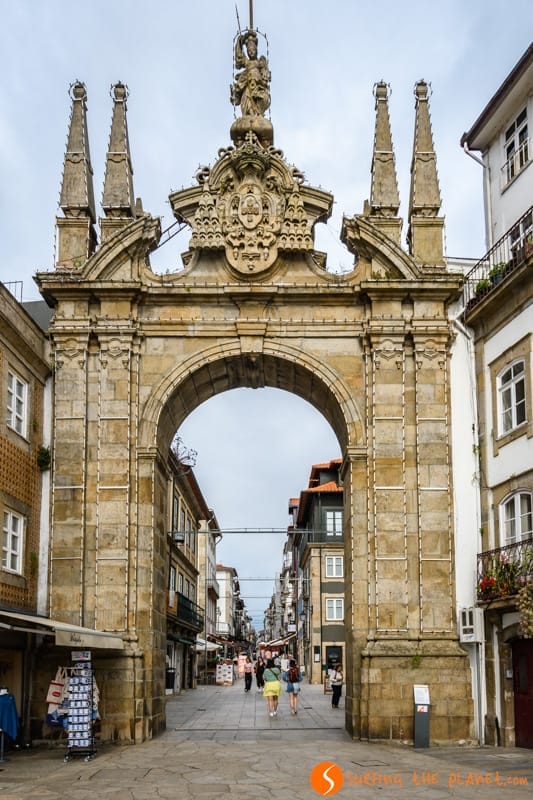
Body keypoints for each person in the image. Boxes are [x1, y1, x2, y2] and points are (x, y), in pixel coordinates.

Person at [230, 30, 271, 117]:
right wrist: (239, 43)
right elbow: (239, 57)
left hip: (257, 87)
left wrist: (263, 77)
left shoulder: (260, 62)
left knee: (259, 99)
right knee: (246, 102)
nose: (250, 52)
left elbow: (265, 74)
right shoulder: (247, 62)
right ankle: (249, 115)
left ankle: (257, 114)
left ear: (256, 50)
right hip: (247, 85)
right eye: (248, 51)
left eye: (252, 50)